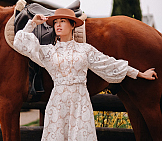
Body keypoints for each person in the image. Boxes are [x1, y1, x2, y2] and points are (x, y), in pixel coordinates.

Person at [13, 8, 157, 141]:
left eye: (62, 21)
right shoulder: (48, 52)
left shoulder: (85, 50)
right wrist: (32, 23)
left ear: (72, 25)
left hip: (80, 102)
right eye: (55, 22)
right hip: (57, 103)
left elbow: (108, 64)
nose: (58, 25)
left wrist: (139, 73)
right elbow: (20, 43)